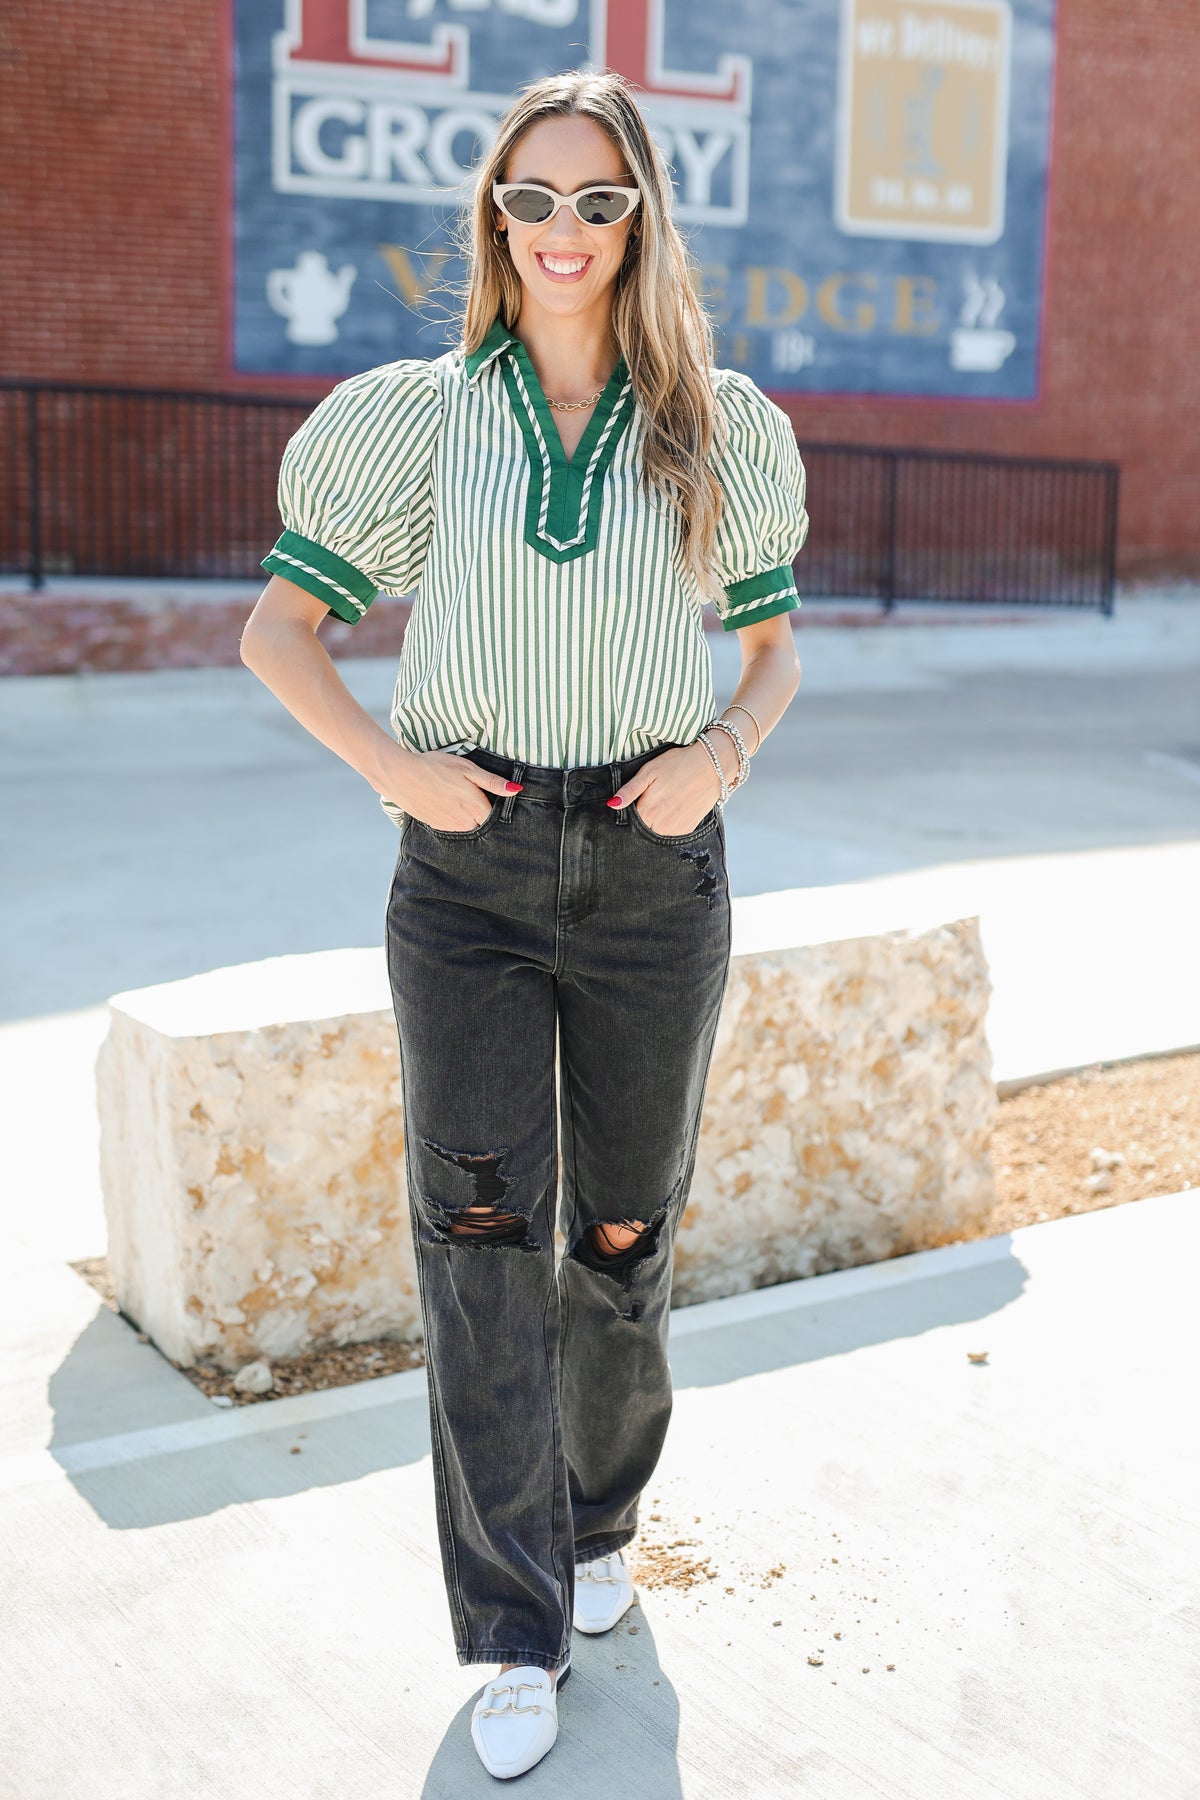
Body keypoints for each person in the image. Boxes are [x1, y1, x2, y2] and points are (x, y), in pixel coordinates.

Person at [241, 66, 808, 1783]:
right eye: (533, 199)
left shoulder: (722, 424)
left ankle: (596, 1519)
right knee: (483, 1246)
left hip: (654, 868)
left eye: (600, 200)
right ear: (496, 217)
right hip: (471, 876)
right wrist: (387, 768)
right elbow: (281, 633)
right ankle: (507, 1624)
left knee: (622, 1239)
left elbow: (776, 653)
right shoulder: (413, 418)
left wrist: (724, 750)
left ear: (644, 220)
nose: (564, 231)